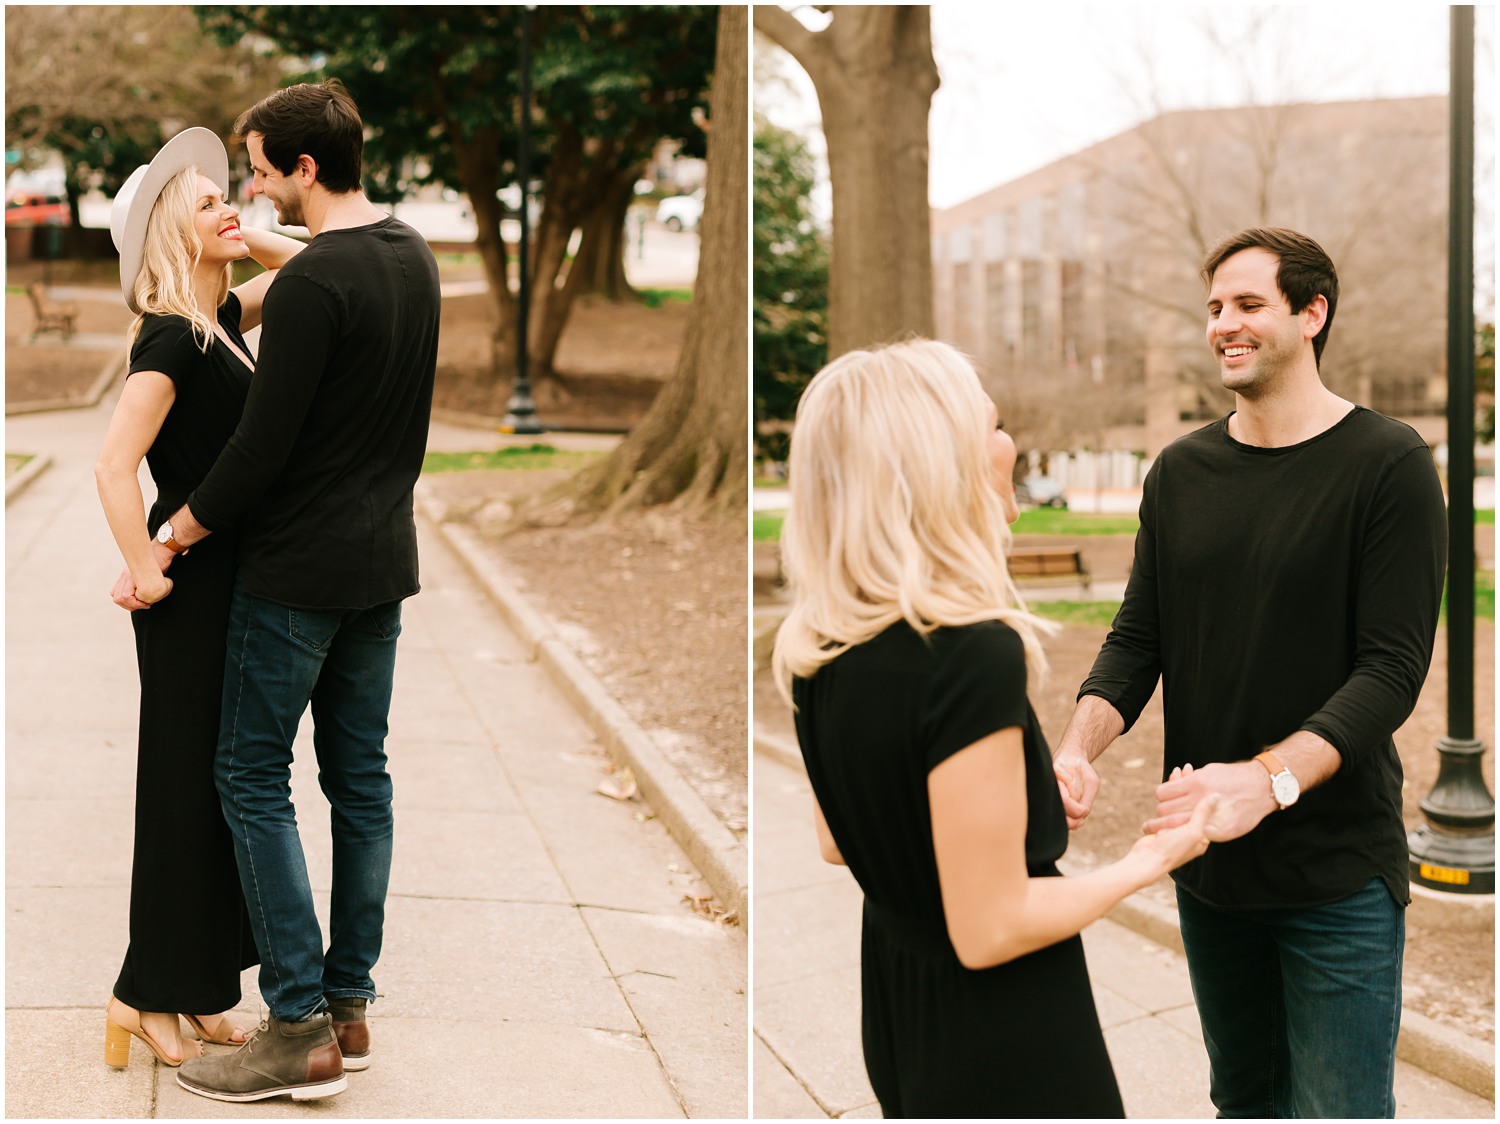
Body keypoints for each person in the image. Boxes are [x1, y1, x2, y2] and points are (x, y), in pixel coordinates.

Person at [1051, 227, 1447, 1119]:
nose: (1223, 324)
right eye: (1215, 308)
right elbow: (1136, 639)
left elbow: (1391, 671)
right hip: (1208, 871)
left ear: (1313, 313)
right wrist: (1078, 749)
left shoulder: (1388, 464)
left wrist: (1270, 780)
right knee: (1244, 1105)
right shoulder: (1181, 472)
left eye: (1247, 304)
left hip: (1338, 879)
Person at [772, 339, 1216, 1119]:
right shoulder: (972, 652)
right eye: (994, 425)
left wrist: (1006, 793)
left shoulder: (819, 642)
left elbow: (844, 837)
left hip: (903, 1010)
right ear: (939, 461)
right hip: (1005, 1036)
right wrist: (1152, 858)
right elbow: (991, 927)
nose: (1008, 444)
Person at [111, 80, 441, 1104]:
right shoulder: (410, 260)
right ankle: (347, 1005)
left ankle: (296, 1019)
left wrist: (167, 537)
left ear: (302, 169)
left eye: (256, 172)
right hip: (382, 566)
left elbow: (257, 453)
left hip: (296, 570)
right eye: (221, 189)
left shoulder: (303, 288)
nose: (247, 194)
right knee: (361, 783)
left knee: (251, 778)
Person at [96, 127, 307, 1070]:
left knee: (219, 791)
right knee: (183, 794)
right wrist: (145, 567)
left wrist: (241, 239)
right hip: (192, 599)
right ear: (169, 236)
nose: (234, 206)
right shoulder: (173, 337)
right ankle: (145, 996)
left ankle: (205, 990)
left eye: (229, 195)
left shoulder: (221, 321)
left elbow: (319, 272)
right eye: (208, 204)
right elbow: (113, 466)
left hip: (235, 587)